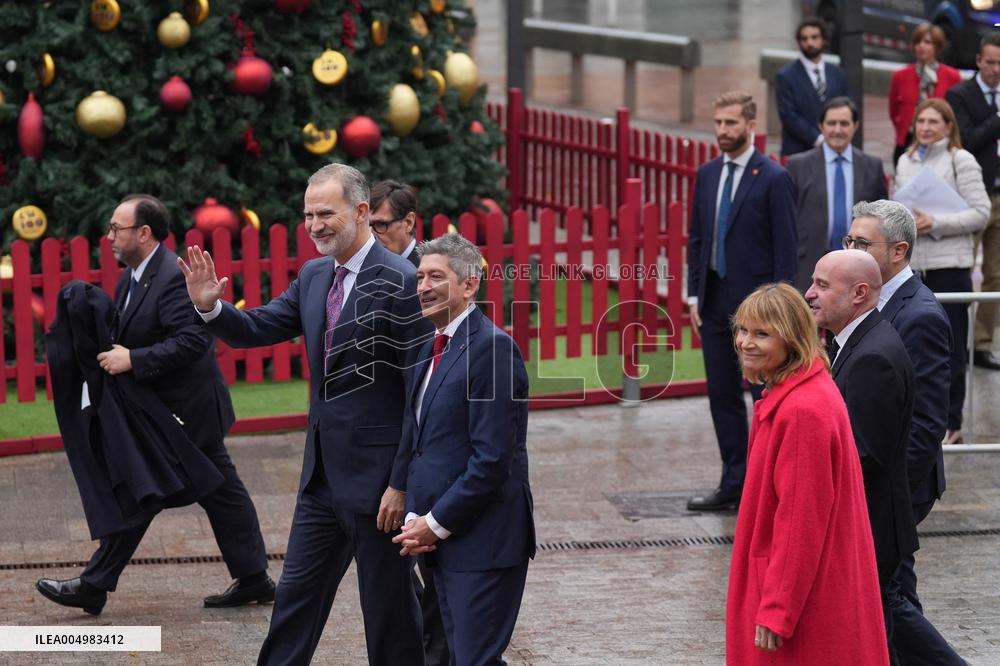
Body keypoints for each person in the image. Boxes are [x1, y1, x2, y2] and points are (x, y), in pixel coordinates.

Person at [180, 164, 432, 665]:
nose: (315, 225)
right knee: (294, 603)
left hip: (379, 488)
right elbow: (261, 326)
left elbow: (418, 395)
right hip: (320, 481)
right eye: (308, 215)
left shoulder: (405, 282)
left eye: (325, 213)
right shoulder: (315, 274)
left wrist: (401, 482)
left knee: (389, 617)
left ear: (361, 212)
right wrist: (212, 309)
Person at [36, 194, 272, 615]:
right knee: (219, 489)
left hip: (190, 410)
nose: (108, 236)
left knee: (148, 489)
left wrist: (134, 359)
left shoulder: (170, 276)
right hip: (165, 409)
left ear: (143, 233)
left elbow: (194, 340)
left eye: (116, 228)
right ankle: (254, 576)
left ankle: (94, 584)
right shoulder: (130, 278)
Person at [725, 282, 887, 665]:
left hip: (806, 605)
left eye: (762, 334)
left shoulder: (801, 411)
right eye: (743, 330)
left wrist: (778, 607)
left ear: (792, 340)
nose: (745, 342)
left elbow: (800, 521)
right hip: (812, 590)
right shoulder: (801, 394)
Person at [393, 234, 536, 666]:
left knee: (474, 658)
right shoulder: (429, 346)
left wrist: (434, 524)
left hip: (483, 543)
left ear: (470, 285)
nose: (423, 287)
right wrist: (414, 507)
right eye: (419, 277)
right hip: (442, 540)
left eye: (436, 276)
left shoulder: (491, 349)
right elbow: (423, 441)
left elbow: (492, 460)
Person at [847, 200, 965, 665]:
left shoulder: (919, 314)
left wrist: (895, 496)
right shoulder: (866, 298)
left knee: (883, 593)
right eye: (848, 241)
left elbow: (926, 424)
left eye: (862, 243)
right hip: (878, 482)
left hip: (896, 487)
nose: (851, 249)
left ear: (899, 251)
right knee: (893, 592)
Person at [686, 91, 798, 511]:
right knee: (721, 395)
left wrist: (781, 310)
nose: (722, 131)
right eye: (718, 123)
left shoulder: (772, 177)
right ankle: (734, 481)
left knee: (765, 396)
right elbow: (698, 238)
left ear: (751, 126)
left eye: (731, 123)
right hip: (714, 305)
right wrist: (694, 292)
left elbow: (787, 249)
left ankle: (769, 485)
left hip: (760, 311)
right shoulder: (708, 174)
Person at [805, 250, 918, 663]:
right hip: (870, 524)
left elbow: (865, 456)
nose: (809, 294)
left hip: (871, 527)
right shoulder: (854, 342)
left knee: (891, 629)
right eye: (813, 282)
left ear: (859, 294)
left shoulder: (872, 357)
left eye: (821, 285)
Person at [371, 179, 449, 666]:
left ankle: (438, 654)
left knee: (435, 563)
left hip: (427, 445)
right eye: (370, 224)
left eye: (382, 225)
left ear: (408, 224)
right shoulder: (373, 273)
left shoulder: (431, 275)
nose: (375, 234)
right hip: (387, 441)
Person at [895, 98, 990, 445]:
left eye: (934, 121)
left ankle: (952, 422)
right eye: (921, 121)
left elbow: (981, 212)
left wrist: (937, 222)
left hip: (950, 265)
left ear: (949, 126)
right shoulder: (905, 160)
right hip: (913, 266)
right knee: (913, 347)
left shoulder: (960, 159)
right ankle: (919, 417)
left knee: (949, 348)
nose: (926, 127)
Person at [787, 96, 887, 292]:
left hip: (857, 263)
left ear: (855, 126)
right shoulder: (798, 165)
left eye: (844, 123)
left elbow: (880, 217)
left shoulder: (871, 166)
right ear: (821, 126)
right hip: (809, 262)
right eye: (831, 123)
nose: (837, 130)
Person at [946, 33, 1000, 371]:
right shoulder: (960, 95)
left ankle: (982, 343)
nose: (997, 69)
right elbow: (968, 138)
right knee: (961, 271)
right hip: (973, 197)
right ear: (978, 60)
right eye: (991, 62)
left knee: (996, 274)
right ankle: (954, 341)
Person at [888, 23, 962, 166]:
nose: (921, 46)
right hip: (908, 141)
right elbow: (894, 111)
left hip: (940, 142)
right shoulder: (900, 75)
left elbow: (955, 111)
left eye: (927, 42)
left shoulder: (952, 76)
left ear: (937, 47)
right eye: (917, 42)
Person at [776, 18, 850, 157]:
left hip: (835, 150)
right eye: (804, 39)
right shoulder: (786, 76)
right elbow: (789, 116)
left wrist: (834, 138)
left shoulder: (838, 74)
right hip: (798, 152)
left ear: (824, 40)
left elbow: (847, 108)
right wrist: (819, 139)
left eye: (814, 37)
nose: (809, 43)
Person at [370, 179, 419, 266]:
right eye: (367, 225)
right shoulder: (367, 266)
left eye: (381, 224)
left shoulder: (426, 271)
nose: (371, 234)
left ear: (408, 222)